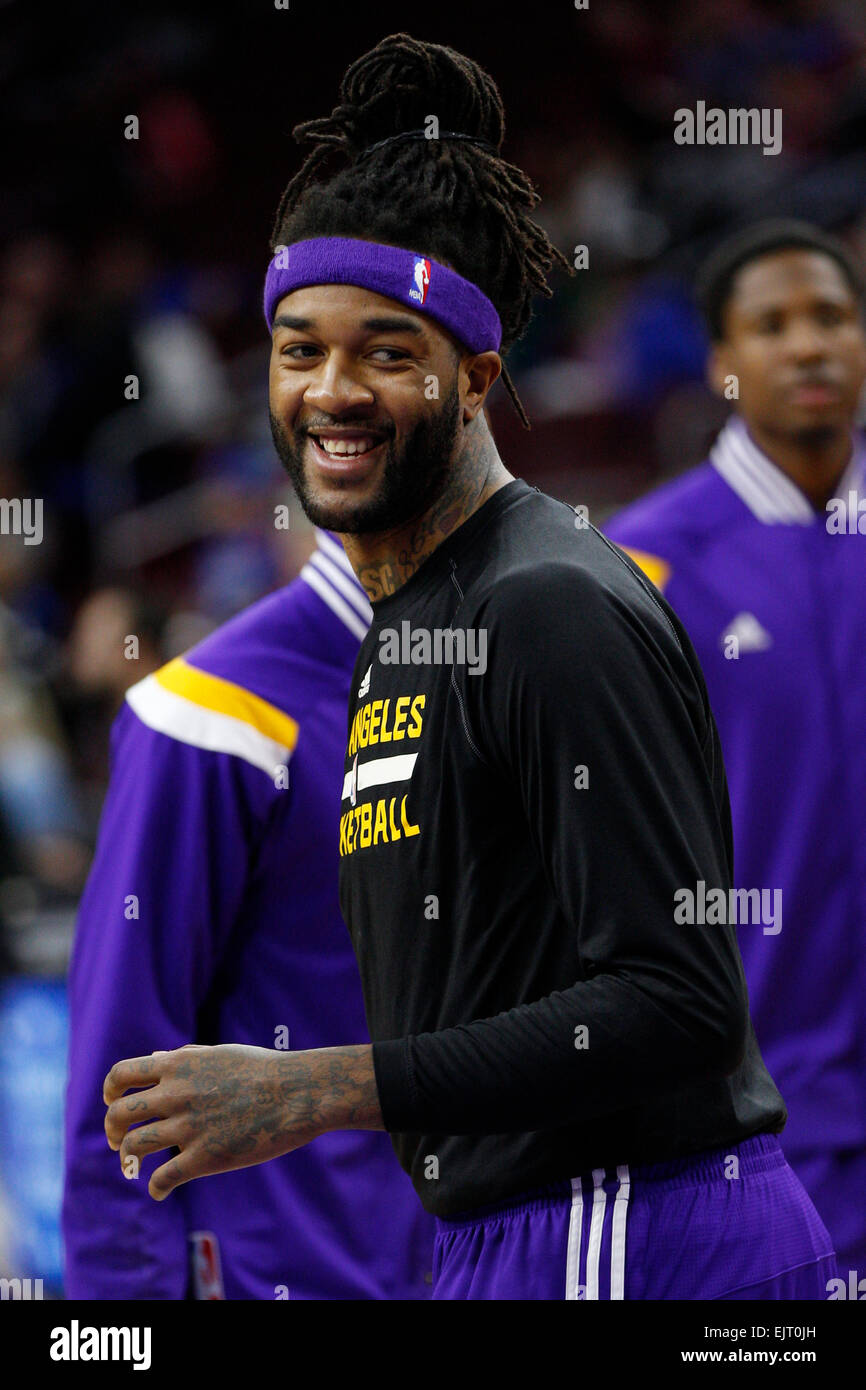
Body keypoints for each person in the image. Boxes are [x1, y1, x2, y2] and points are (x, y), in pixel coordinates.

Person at [103, 33, 834, 1301]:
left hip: (624, 1230)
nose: (330, 390)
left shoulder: (544, 599)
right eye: (297, 349)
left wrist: (318, 1085)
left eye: (387, 350)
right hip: (511, 1238)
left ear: (475, 376)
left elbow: (676, 999)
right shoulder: (411, 619)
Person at [64, 526, 433, 1299]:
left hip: (486, 1263)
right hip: (283, 1270)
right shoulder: (207, 717)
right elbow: (121, 1077)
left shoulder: (534, 665)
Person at [605, 219, 866, 1280]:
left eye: (830, 318)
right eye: (769, 326)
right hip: (753, 1118)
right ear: (718, 364)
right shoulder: (640, 568)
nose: (805, 346)